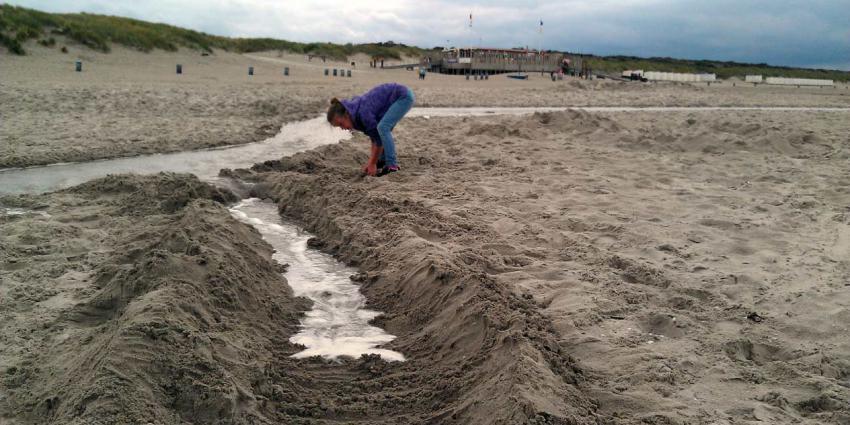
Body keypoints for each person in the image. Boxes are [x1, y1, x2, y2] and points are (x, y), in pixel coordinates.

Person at [327, 83, 415, 176]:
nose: (342, 128)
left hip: (403, 96)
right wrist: (372, 162)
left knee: (383, 128)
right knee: (380, 131)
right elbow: (374, 138)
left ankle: (392, 165)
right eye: (339, 127)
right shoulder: (355, 116)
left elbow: (378, 139)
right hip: (393, 100)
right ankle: (382, 160)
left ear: (346, 114)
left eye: (341, 124)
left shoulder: (362, 113)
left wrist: (372, 163)